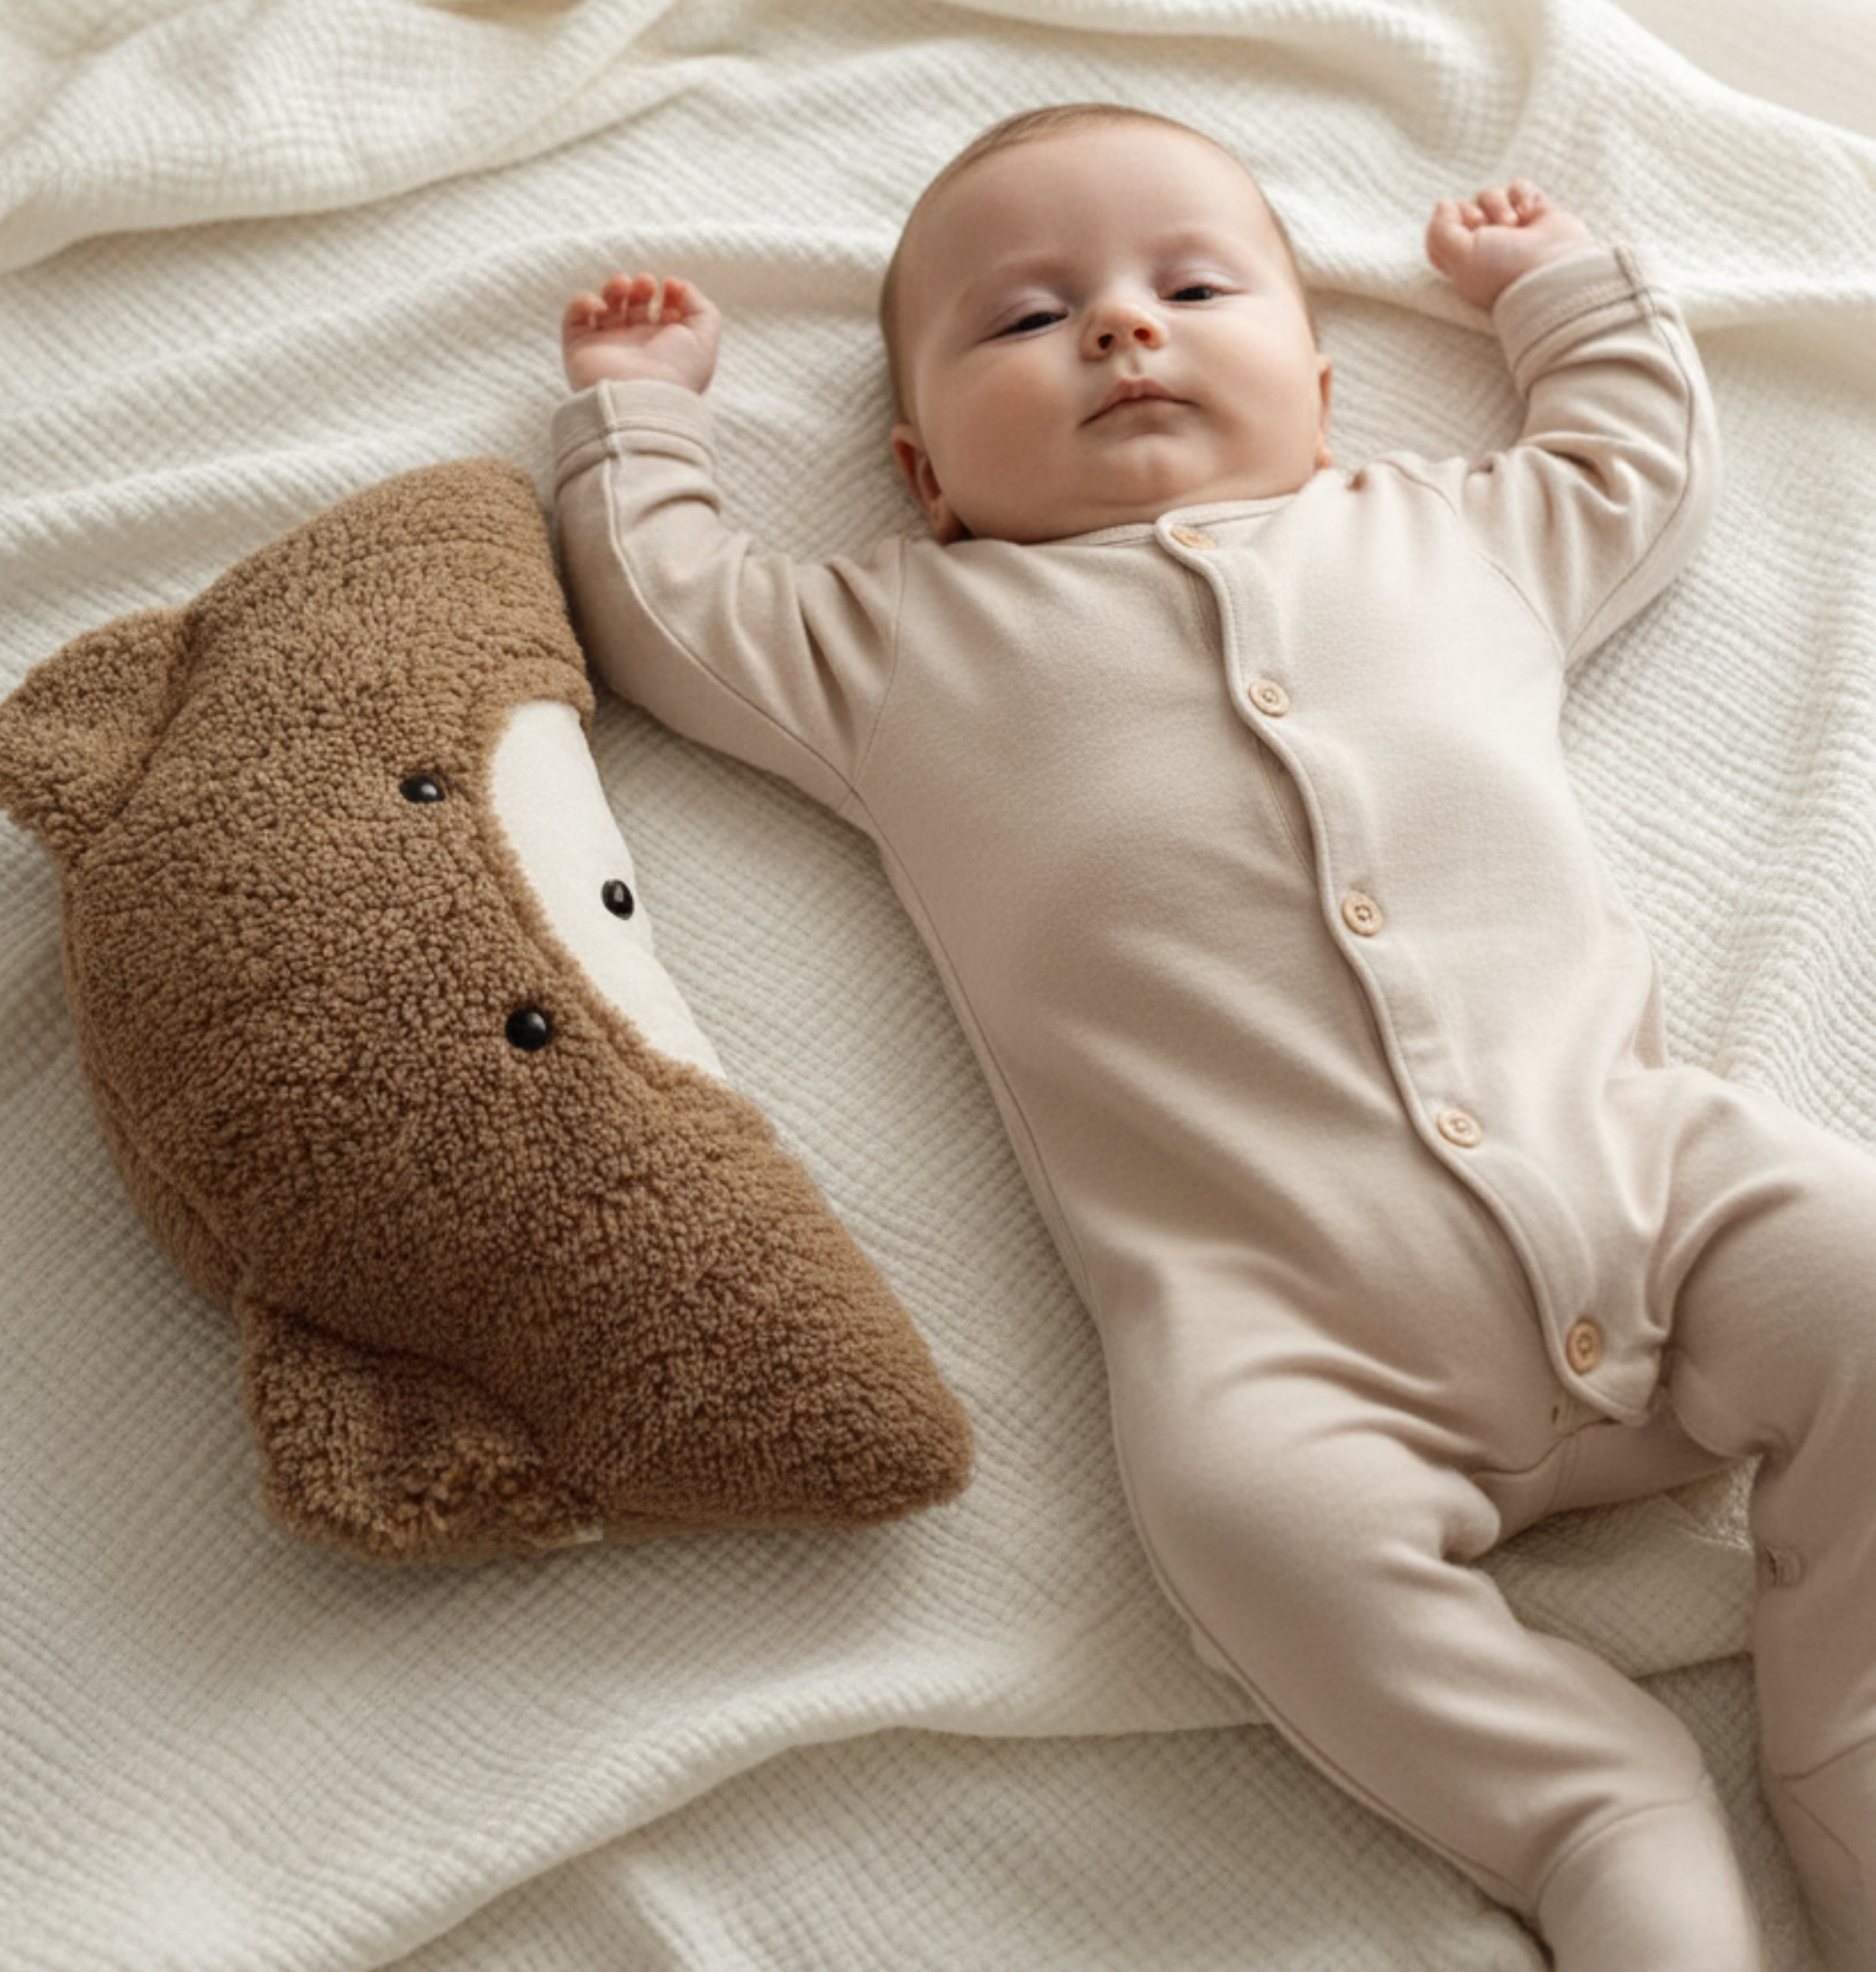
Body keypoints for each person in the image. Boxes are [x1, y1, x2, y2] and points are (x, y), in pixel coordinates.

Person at [550, 102, 1876, 1970]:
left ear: (1325, 399)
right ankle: (1598, 1821)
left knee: (1866, 1266)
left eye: (1191, 285)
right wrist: (643, 424)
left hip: (1651, 1191)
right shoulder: (896, 644)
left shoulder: (1440, 534)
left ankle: (1852, 1749)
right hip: (1289, 1346)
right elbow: (671, 620)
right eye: (1025, 321)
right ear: (923, 475)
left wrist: (1564, 300)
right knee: (1246, 1520)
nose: (1119, 328)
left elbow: (1629, 462)